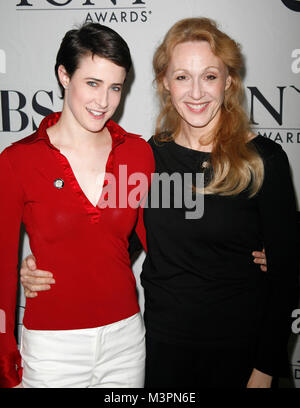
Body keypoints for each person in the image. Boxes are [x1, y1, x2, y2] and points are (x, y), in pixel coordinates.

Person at [19, 18, 274, 388]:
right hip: (160, 349)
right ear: (165, 84)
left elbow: (283, 268)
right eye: (183, 76)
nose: (197, 91)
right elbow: (115, 237)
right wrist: (45, 266)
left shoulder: (264, 158)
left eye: (210, 76)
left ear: (229, 81)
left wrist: (264, 370)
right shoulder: (149, 156)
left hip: (238, 350)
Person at [0, 23, 154, 388]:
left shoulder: (137, 154)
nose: (104, 101)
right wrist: (6, 362)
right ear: (64, 75)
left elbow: (166, 242)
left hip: (126, 341)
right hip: (52, 348)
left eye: (115, 87)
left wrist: (247, 251)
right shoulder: (18, 161)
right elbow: (3, 268)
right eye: (92, 83)